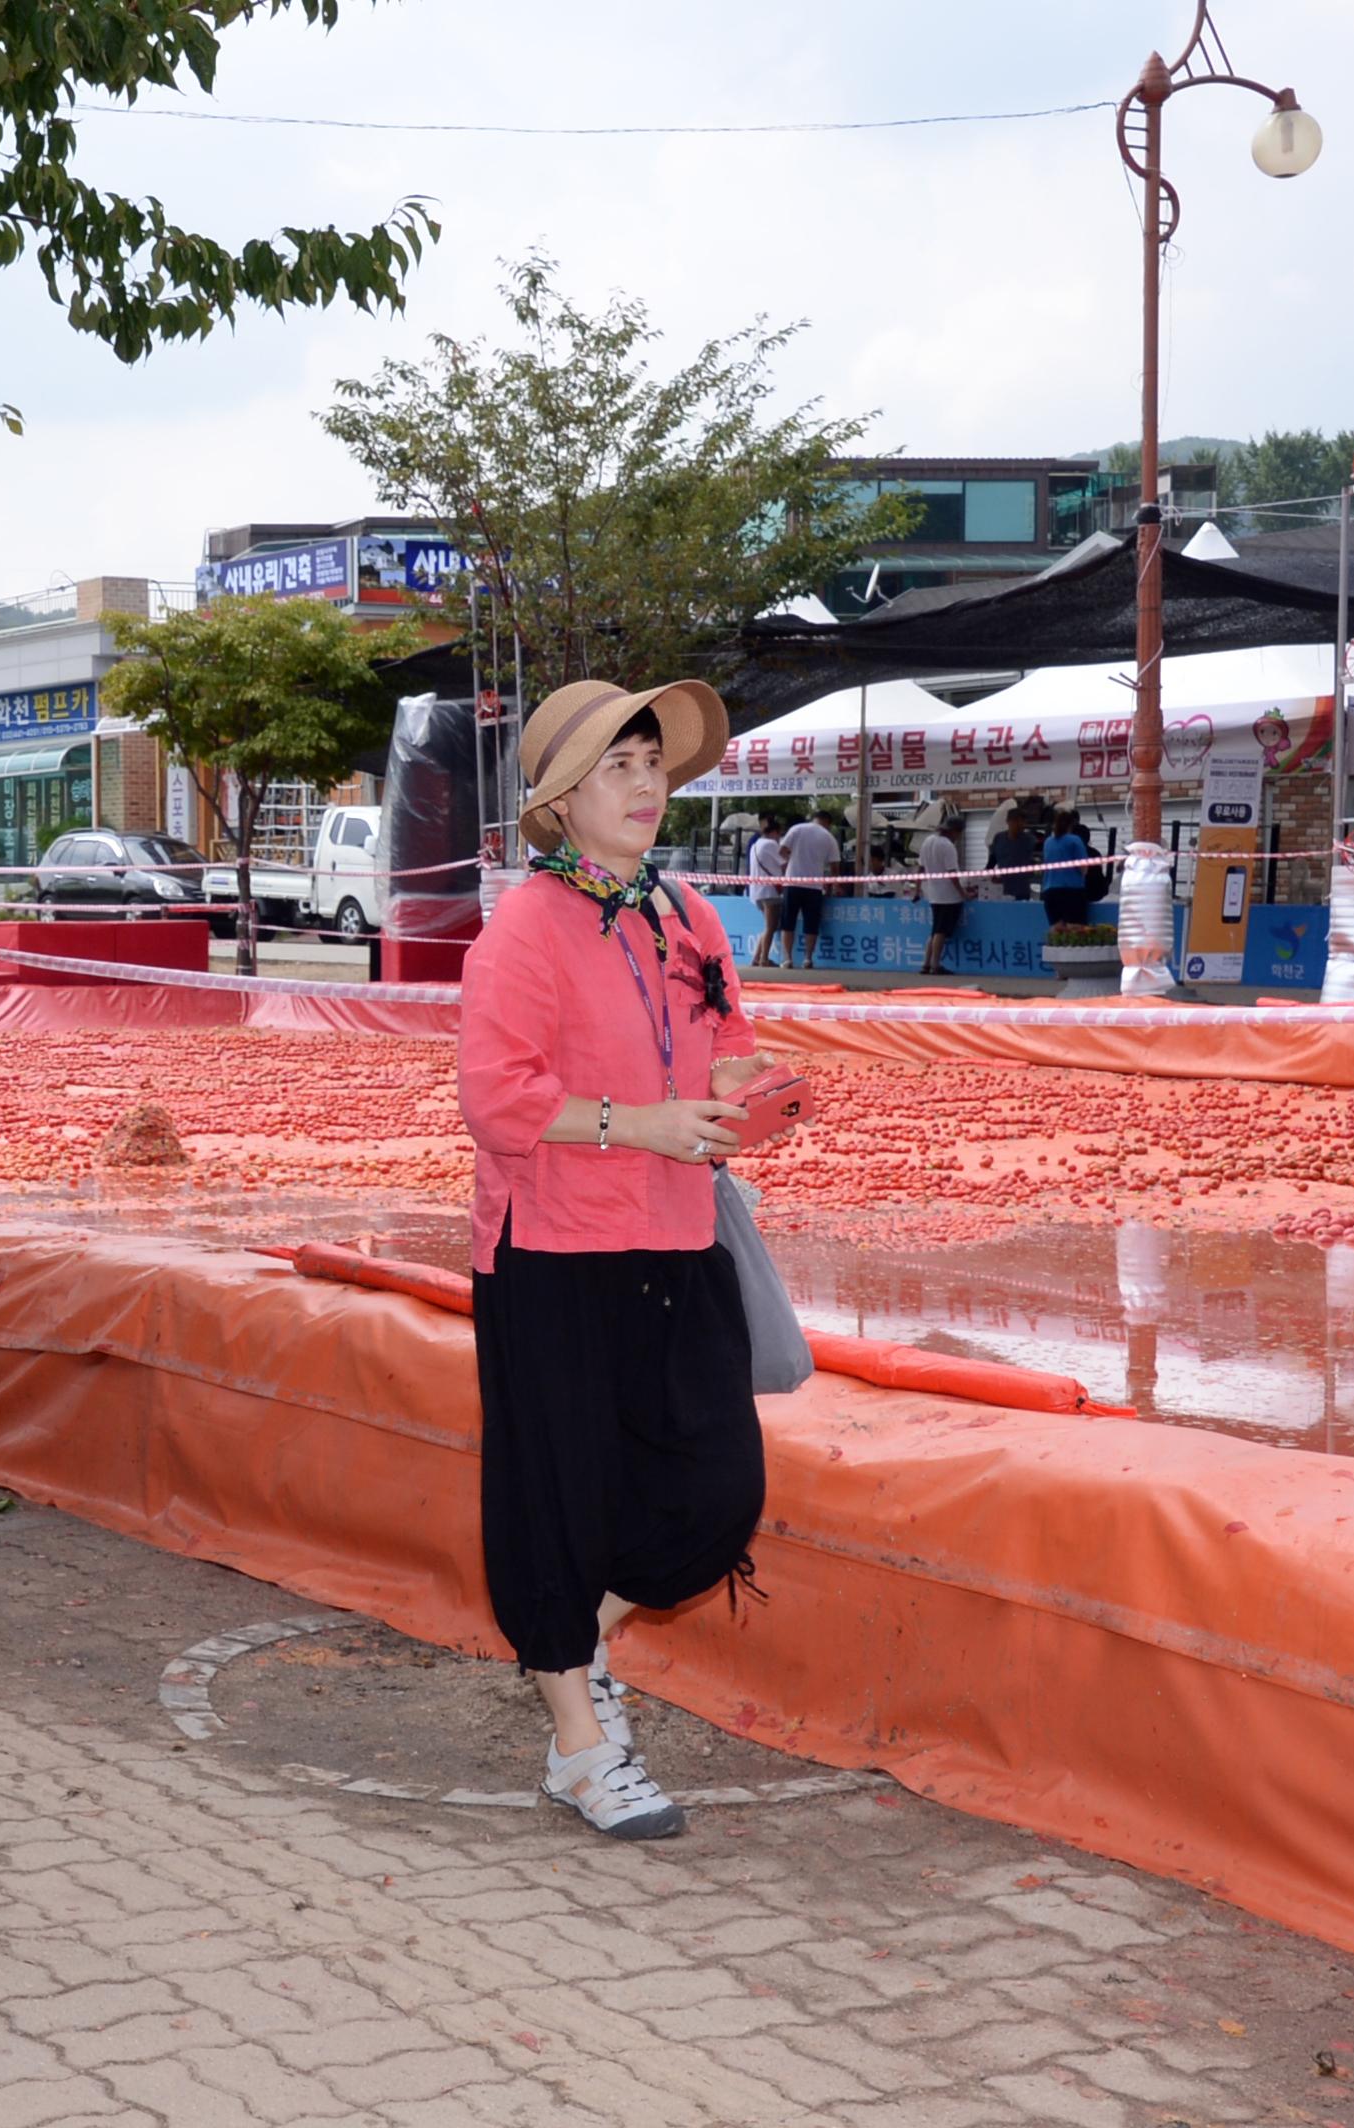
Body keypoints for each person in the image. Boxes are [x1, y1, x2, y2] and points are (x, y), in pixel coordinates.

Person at [457, 678, 776, 1842]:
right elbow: (494, 1101)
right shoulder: (520, 932)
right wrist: (637, 1122)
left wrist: (741, 1085)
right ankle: (578, 1746)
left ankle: (570, 1639)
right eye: (617, 768)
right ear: (561, 800)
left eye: (651, 764)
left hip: (677, 1235)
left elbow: (722, 1036)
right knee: (553, 1495)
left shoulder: (684, 912)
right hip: (551, 1250)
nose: (645, 787)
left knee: (714, 1492)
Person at [777, 806, 842, 970]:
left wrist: (792, 861)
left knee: (788, 922)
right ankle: (807, 958)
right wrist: (834, 886)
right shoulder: (829, 837)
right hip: (814, 886)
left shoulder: (797, 829)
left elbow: (782, 850)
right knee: (811, 924)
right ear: (827, 823)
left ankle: (788, 959)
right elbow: (835, 867)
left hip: (792, 882)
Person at [917, 808, 966, 978]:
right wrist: (963, 893)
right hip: (949, 896)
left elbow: (920, 868)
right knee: (941, 931)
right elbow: (952, 874)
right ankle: (935, 965)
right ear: (954, 831)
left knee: (935, 929)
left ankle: (926, 963)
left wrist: (917, 888)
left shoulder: (927, 841)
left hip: (933, 893)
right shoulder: (948, 846)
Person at [745, 814, 790, 968]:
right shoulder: (770, 845)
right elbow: (784, 864)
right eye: (779, 835)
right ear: (775, 832)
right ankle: (764, 959)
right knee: (771, 927)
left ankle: (757, 957)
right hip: (770, 891)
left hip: (757, 891)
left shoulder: (755, 845)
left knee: (767, 926)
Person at [1043, 810, 1093, 926]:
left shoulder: (1048, 842)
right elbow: (1083, 868)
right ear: (1072, 825)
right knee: (1075, 930)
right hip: (1072, 890)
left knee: (1057, 930)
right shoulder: (1074, 840)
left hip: (1050, 891)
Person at [990, 804, 1041, 902]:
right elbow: (993, 859)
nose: (1020, 825)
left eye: (1022, 822)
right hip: (1001, 888)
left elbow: (1038, 861)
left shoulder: (1030, 840)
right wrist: (988, 876)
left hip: (1021, 889)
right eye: (1016, 821)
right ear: (1008, 822)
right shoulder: (999, 838)